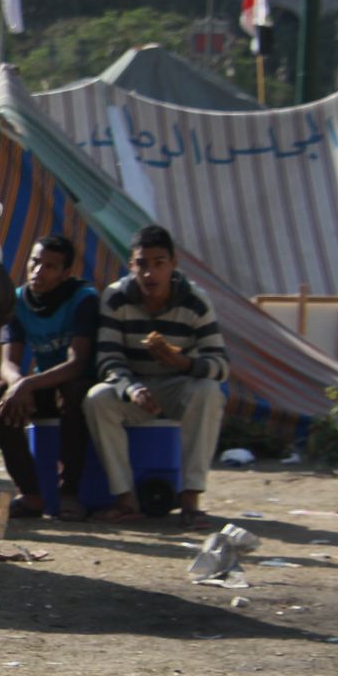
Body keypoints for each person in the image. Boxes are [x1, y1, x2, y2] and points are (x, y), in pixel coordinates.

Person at [84, 224, 228, 532]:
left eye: (159, 263)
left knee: (209, 391)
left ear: (173, 264)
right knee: (97, 399)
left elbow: (220, 364)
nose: (150, 274)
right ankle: (125, 499)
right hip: (135, 388)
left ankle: (190, 500)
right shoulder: (115, 298)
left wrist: (183, 362)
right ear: (131, 265)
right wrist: (131, 388)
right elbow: (108, 359)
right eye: (142, 264)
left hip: (179, 388)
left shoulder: (196, 301)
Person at [0, 234, 99, 521]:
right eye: (35, 262)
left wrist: (27, 383)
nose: (38, 272)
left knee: (74, 393)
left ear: (65, 273)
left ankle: (69, 492)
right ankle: (31, 493)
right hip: (42, 383)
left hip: (79, 383)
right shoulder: (18, 300)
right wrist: (16, 384)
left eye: (50, 266)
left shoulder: (83, 299)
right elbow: (8, 362)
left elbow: (77, 363)